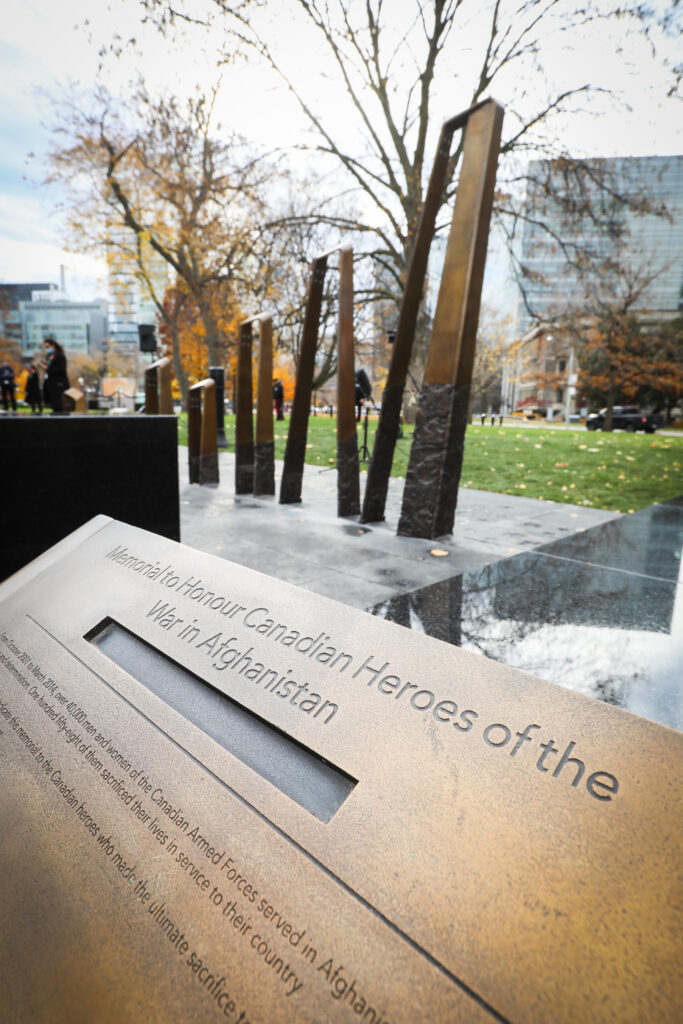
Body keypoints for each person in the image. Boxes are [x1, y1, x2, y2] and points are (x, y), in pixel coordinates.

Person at [41, 337, 69, 414]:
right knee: (53, 404)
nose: (46, 349)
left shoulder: (60, 356)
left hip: (59, 384)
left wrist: (48, 368)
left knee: (59, 404)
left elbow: (61, 369)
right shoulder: (49, 356)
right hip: (50, 383)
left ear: (52, 345)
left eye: (47, 347)